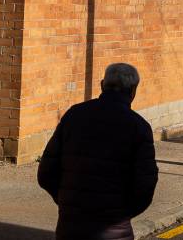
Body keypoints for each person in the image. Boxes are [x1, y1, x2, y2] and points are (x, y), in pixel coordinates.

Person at [38, 62, 158, 240]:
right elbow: (145, 186)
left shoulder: (74, 116)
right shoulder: (139, 127)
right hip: (115, 231)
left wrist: (68, 202)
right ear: (133, 91)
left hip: (70, 228)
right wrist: (121, 214)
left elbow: (46, 173)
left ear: (102, 85)